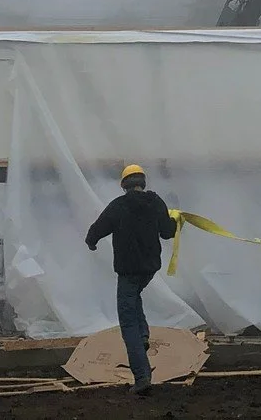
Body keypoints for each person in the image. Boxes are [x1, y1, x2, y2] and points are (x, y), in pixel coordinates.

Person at [85, 163, 177, 397]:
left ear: (124, 185)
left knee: (128, 324)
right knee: (134, 299)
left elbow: (99, 228)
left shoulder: (118, 205)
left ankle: (142, 376)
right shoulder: (155, 203)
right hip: (149, 269)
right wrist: (174, 221)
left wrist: (91, 241)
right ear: (143, 182)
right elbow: (167, 232)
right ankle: (144, 334)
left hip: (127, 271)